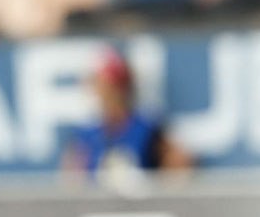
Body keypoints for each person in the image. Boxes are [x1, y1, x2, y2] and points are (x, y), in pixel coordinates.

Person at [61, 49, 192, 191]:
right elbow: (72, 180)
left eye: (107, 85)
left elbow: (180, 162)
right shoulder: (87, 136)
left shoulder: (146, 128)